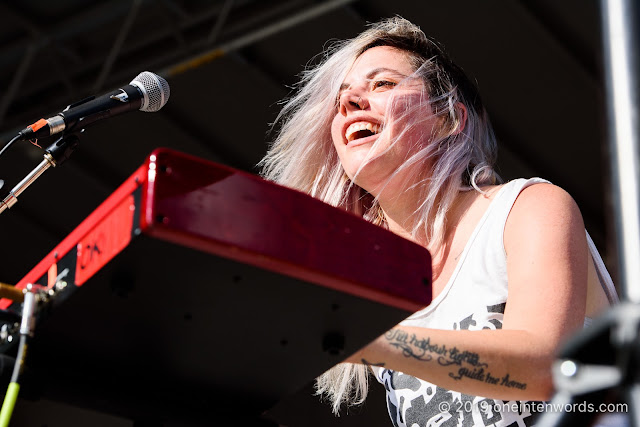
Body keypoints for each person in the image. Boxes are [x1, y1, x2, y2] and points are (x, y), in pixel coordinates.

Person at [260, 16, 618, 427]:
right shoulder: (370, 283)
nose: (350, 104)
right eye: (341, 99)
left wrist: (369, 340)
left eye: (382, 84)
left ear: (450, 118)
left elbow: (543, 370)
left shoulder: (527, 208)